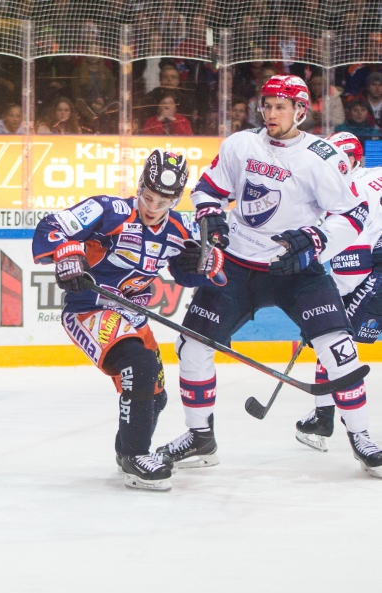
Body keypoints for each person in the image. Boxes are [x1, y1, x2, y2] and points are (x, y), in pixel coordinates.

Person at [156, 75, 382, 477]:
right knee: (191, 347)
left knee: (339, 349)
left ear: (300, 110)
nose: (270, 112)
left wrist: (315, 240)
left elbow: (353, 215)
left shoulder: (321, 156)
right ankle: (199, 437)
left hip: (296, 270)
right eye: (267, 104)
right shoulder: (241, 144)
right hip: (237, 265)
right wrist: (210, 216)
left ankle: (362, 438)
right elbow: (208, 189)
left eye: (280, 106)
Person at [32, 150, 226, 492]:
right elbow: (52, 227)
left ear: (176, 199)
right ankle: (136, 455)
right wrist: (68, 254)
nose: (152, 207)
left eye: (163, 200)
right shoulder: (109, 210)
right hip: (90, 309)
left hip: (133, 316)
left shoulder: (180, 229)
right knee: (139, 364)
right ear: (139, 186)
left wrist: (205, 266)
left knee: (155, 396)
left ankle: (127, 452)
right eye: (148, 196)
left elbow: (191, 272)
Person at [296, 133, 382, 477]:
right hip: (368, 270)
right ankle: (323, 418)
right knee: (333, 341)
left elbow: (350, 268)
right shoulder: (361, 180)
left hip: (371, 273)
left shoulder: (348, 190)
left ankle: (329, 420)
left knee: (339, 343)